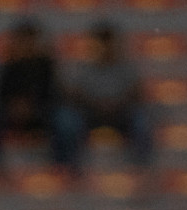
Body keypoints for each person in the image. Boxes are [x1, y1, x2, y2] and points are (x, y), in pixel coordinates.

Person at [58, 21, 153, 173]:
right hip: (90, 114)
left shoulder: (127, 67)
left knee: (141, 120)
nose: (105, 48)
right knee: (66, 120)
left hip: (120, 114)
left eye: (109, 43)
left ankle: (142, 168)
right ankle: (69, 167)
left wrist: (116, 103)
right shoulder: (83, 68)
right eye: (101, 42)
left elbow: (136, 93)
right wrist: (94, 103)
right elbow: (73, 93)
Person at [0, 19, 69, 174]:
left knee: (65, 123)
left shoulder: (46, 65)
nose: (25, 45)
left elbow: (54, 95)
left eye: (29, 40)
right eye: (22, 40)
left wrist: (32, 107)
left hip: (41, 113)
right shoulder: (7, 66)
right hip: (11, 113)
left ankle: (63, 168)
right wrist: (13, 107)